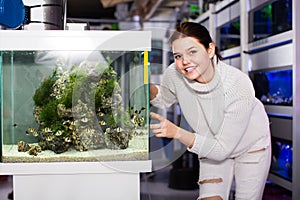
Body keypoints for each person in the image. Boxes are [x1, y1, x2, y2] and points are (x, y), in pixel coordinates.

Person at [149, 22, 271, 200]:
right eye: (178, 56)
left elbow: (222, 149)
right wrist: (147, 87)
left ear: (210, 50)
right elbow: (164, 98)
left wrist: (176, 132)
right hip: (210, 143)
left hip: (250, 146)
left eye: (192, 52)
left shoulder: (236, 84)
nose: (184, 62)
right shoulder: (175, 73)